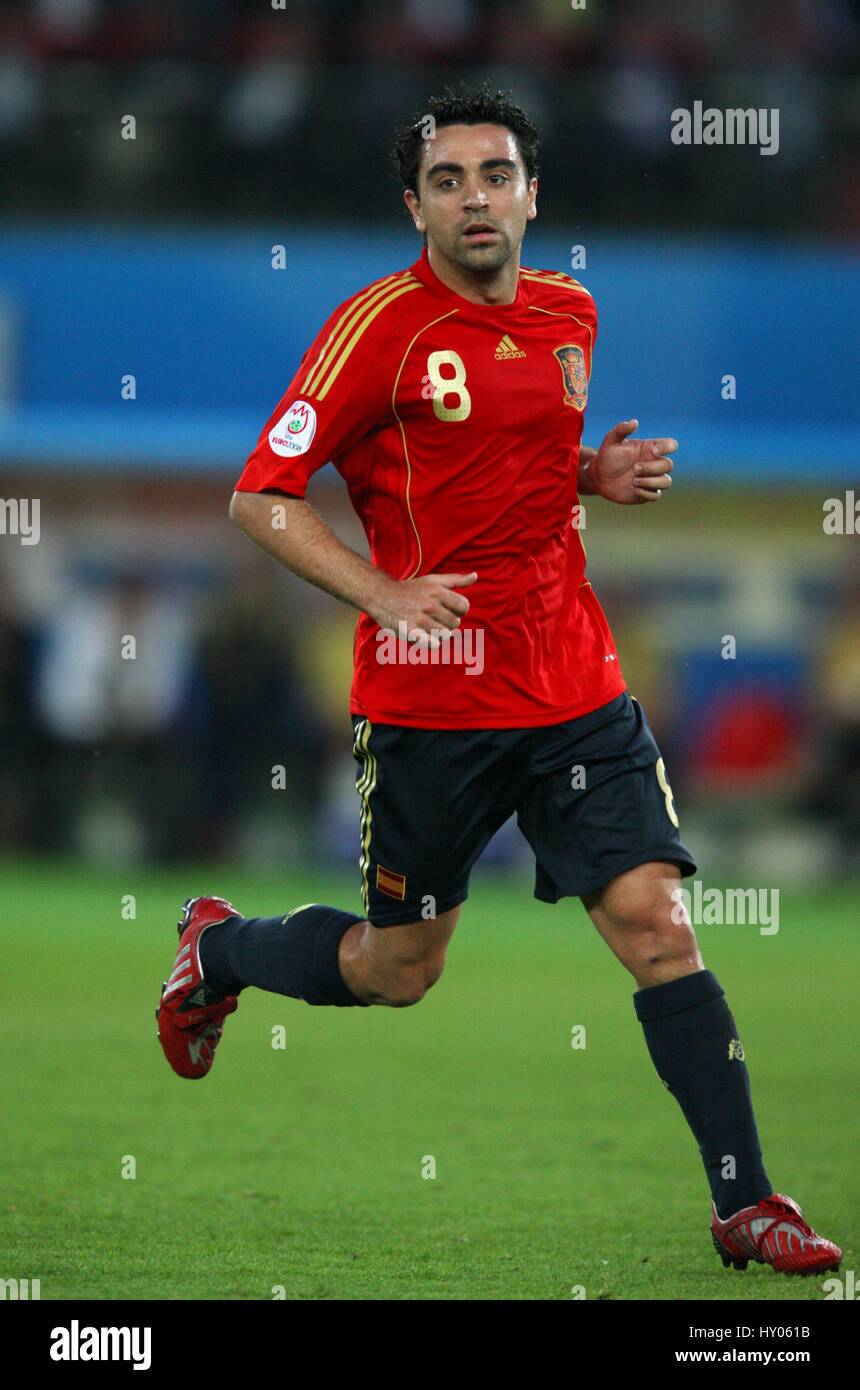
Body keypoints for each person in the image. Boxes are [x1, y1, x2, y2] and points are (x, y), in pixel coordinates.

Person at [156, 84, 840, 1278]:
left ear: (533, 193)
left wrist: (590, 472)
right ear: (412, 205)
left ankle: (747, 1201)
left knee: (657, 923)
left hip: (572, 680)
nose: (475, 197)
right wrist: (379, 591)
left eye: (496, 175)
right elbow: (258, 496)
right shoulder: (375, 327)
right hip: (431, 700)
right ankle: (217, 951)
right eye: (447, 180)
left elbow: (501, 458)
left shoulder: (571, 311)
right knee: (397, 969)